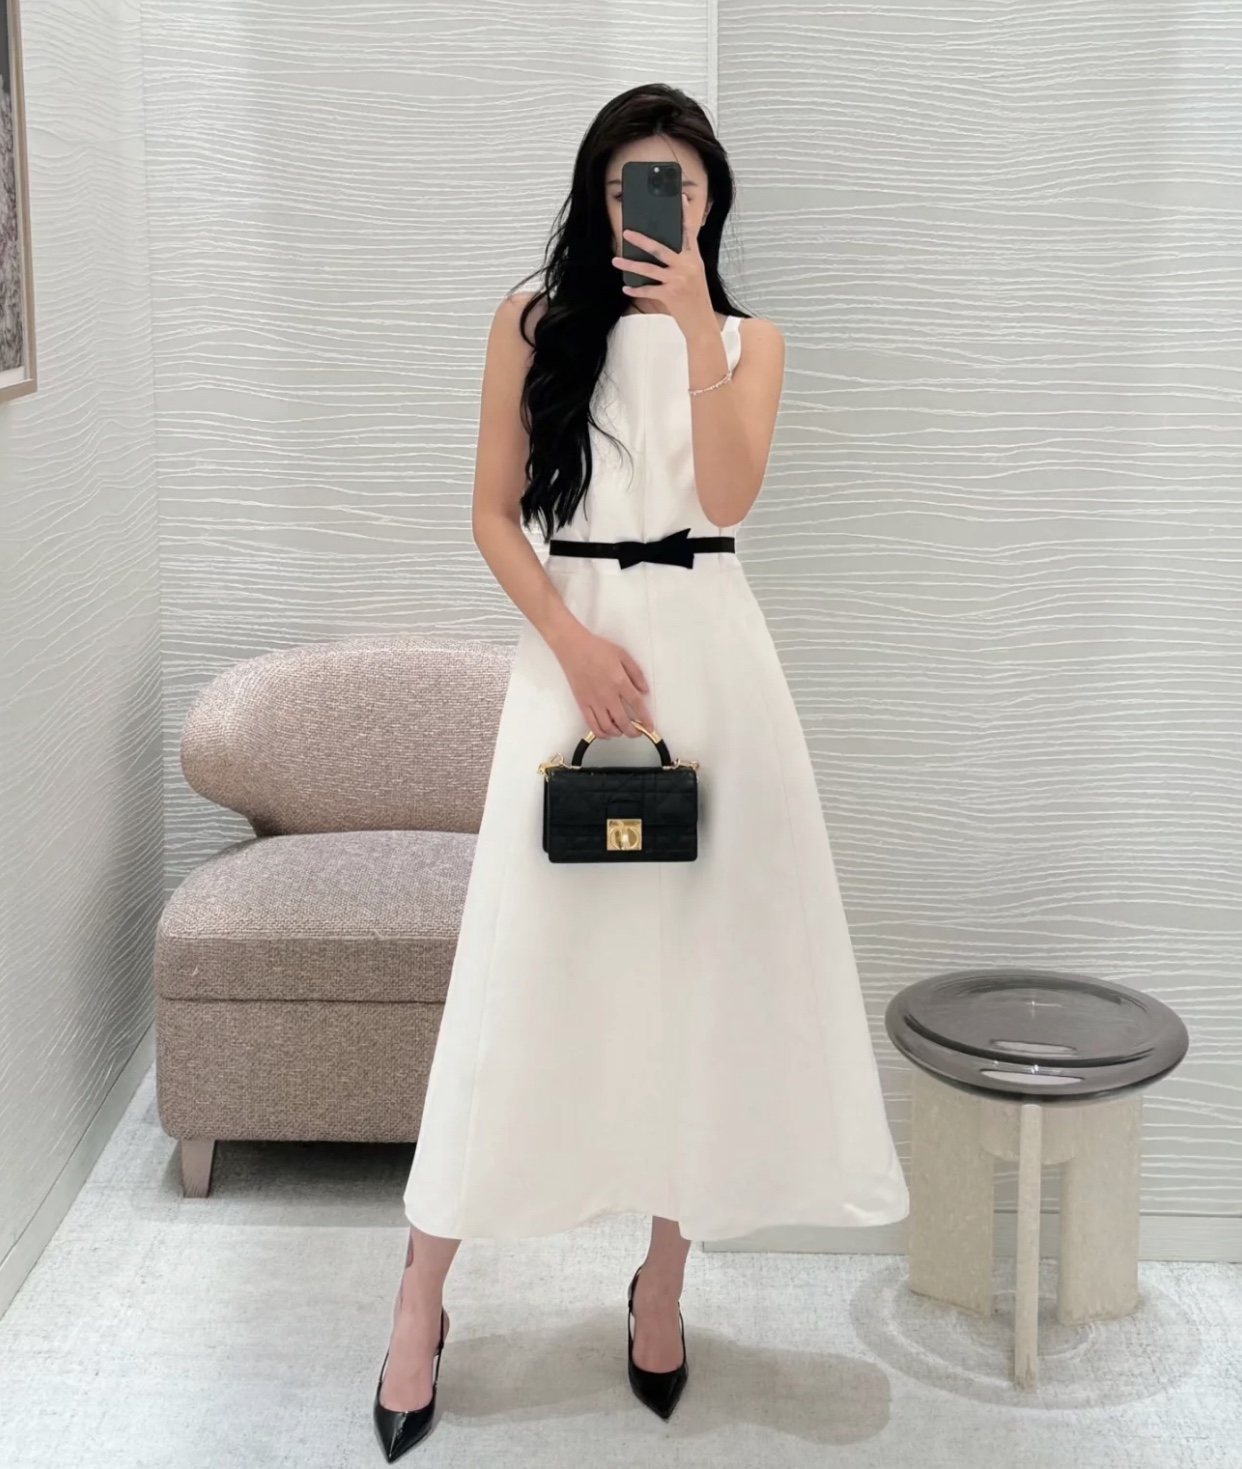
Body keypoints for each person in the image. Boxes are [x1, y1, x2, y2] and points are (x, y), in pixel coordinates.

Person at [372, 82, 910, 1461]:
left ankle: (661, 1283)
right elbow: (490, 514)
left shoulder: (748, 341)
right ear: (595, 199)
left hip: (714, 671)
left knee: (697, 979)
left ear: (711, 202)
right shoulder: (533, 322)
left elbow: (726, 499)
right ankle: (420, 1297)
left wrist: (689, 327)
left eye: (673, 185)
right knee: (517, 973)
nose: (649, 208)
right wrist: (570, 642)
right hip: (573, 659)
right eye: (625, 187)